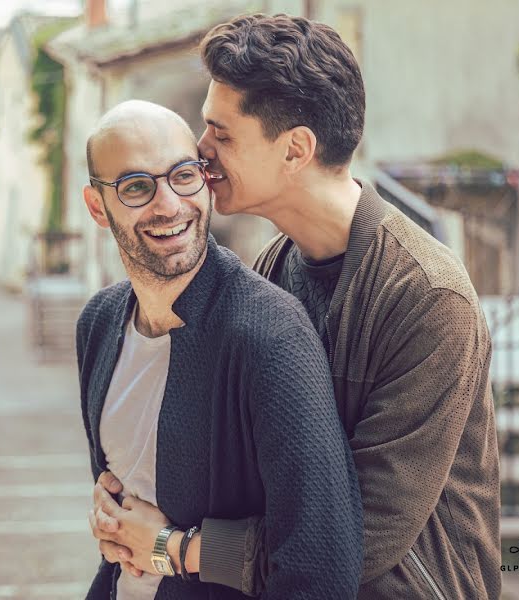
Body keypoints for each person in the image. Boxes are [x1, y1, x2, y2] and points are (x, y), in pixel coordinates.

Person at [90, 13, 502, 600]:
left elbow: (358, 536)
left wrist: (172, 548)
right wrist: (118, 511)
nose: (200, 154)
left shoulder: (428, 298)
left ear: (296, 149)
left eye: (221, 135)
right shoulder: (272, 271)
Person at [76, 99, 362, 599]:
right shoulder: (98, 325)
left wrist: (169, 548)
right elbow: (125, 486)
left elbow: (321, 566)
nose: (168, 204)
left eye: (184, 176)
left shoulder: (271, 337)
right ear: (98, 206)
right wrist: (108, 512)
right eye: (136, 187)